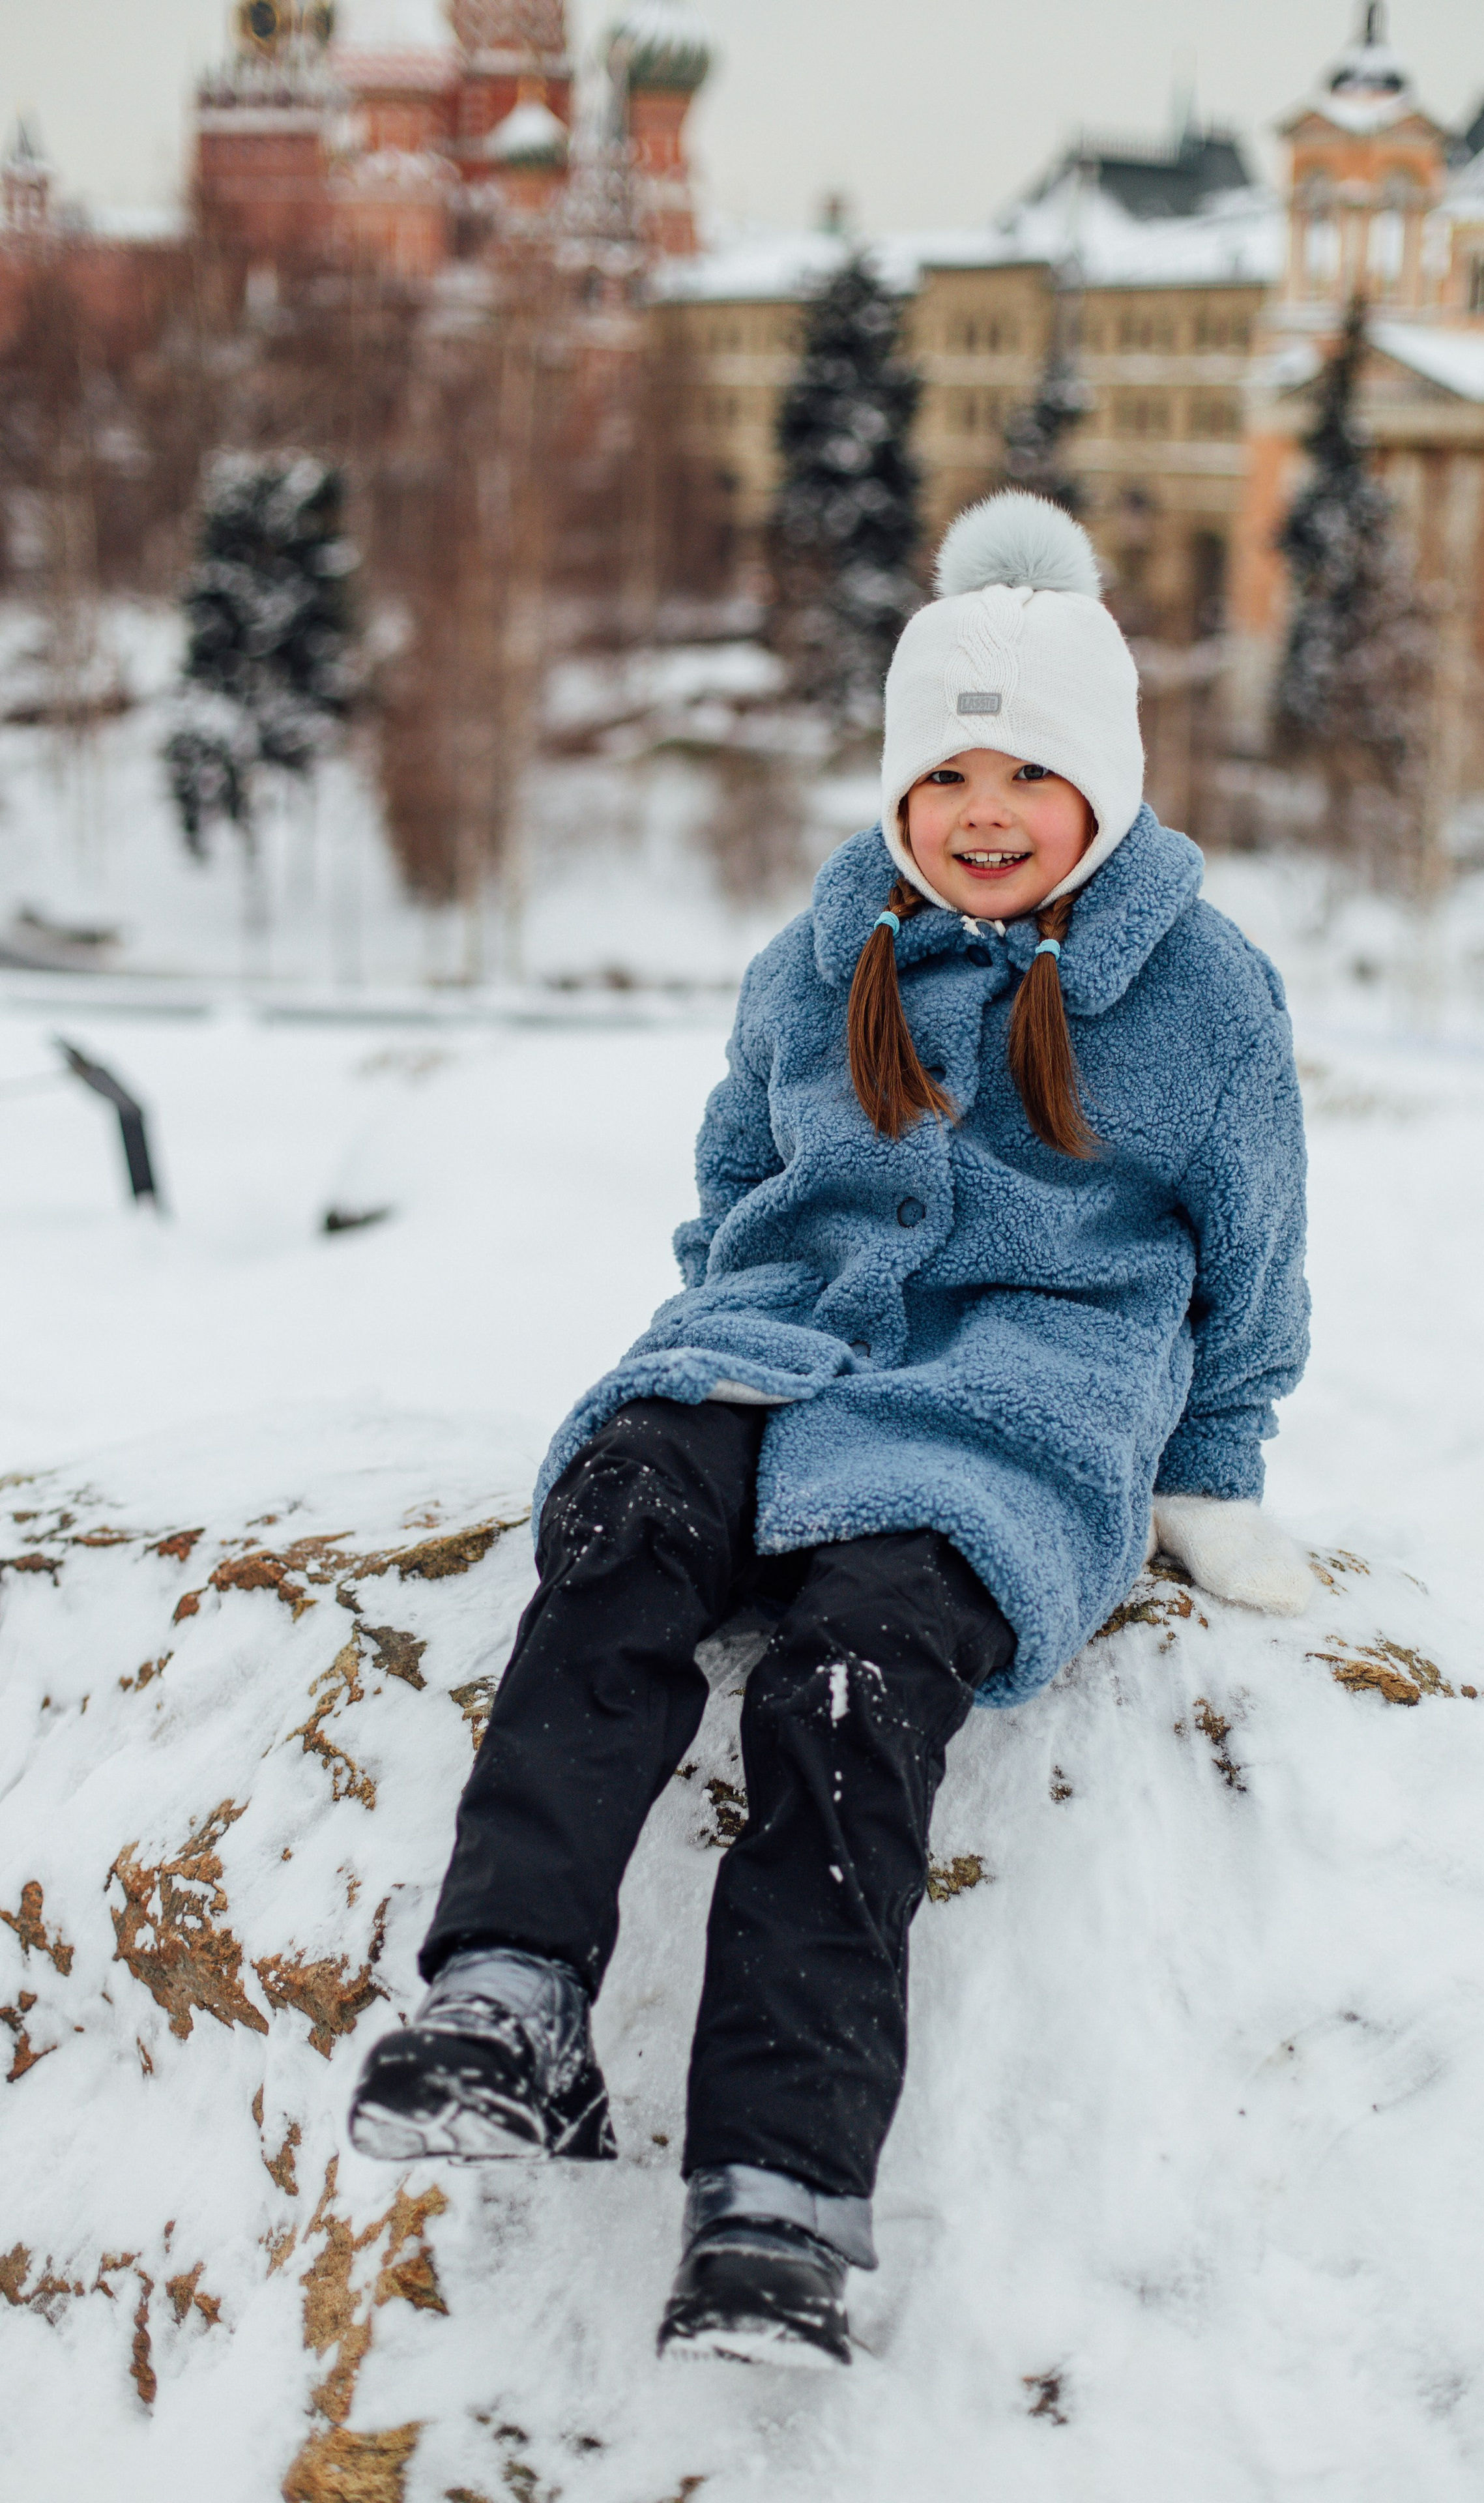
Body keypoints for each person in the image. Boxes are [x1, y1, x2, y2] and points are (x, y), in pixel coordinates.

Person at [347, 493, 1313, 2367]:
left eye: (1031, 769)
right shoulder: (826, 947)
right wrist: (722, 1333)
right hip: (778, 1344)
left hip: (1011, 1408)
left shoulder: (1200, 996)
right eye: (945, 768)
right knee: (622, 1525)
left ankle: (778, 2192)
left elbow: (1251, 1257)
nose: (983, 809)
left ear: (1104, 782)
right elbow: (734, 1169)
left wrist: (1216, 1467)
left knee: (849, 1675)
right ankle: (509, 1996)